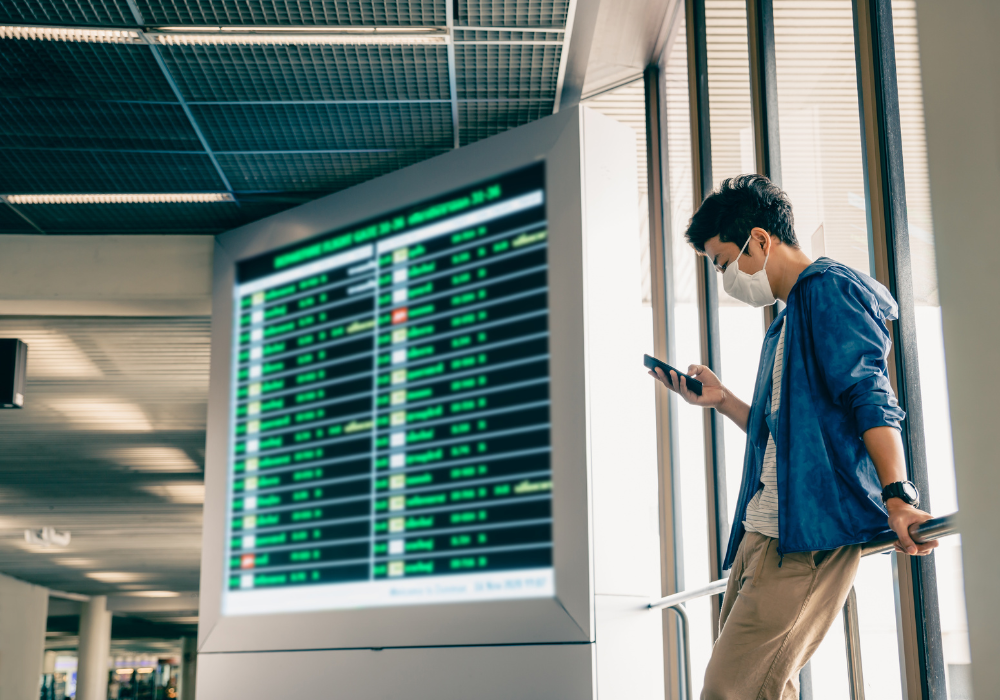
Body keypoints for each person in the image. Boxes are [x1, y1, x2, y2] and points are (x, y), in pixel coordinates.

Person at [649, 175, 937, 700]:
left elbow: (870, 397)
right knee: (753, 688)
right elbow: (789, 436)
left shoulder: (829, 290)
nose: (724, 277)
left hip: (803, 540)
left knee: (730, 690)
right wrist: (726, 402)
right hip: (765, 534)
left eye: (722, 261)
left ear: (759, 240)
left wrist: (898, 497)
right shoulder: (787, 321)